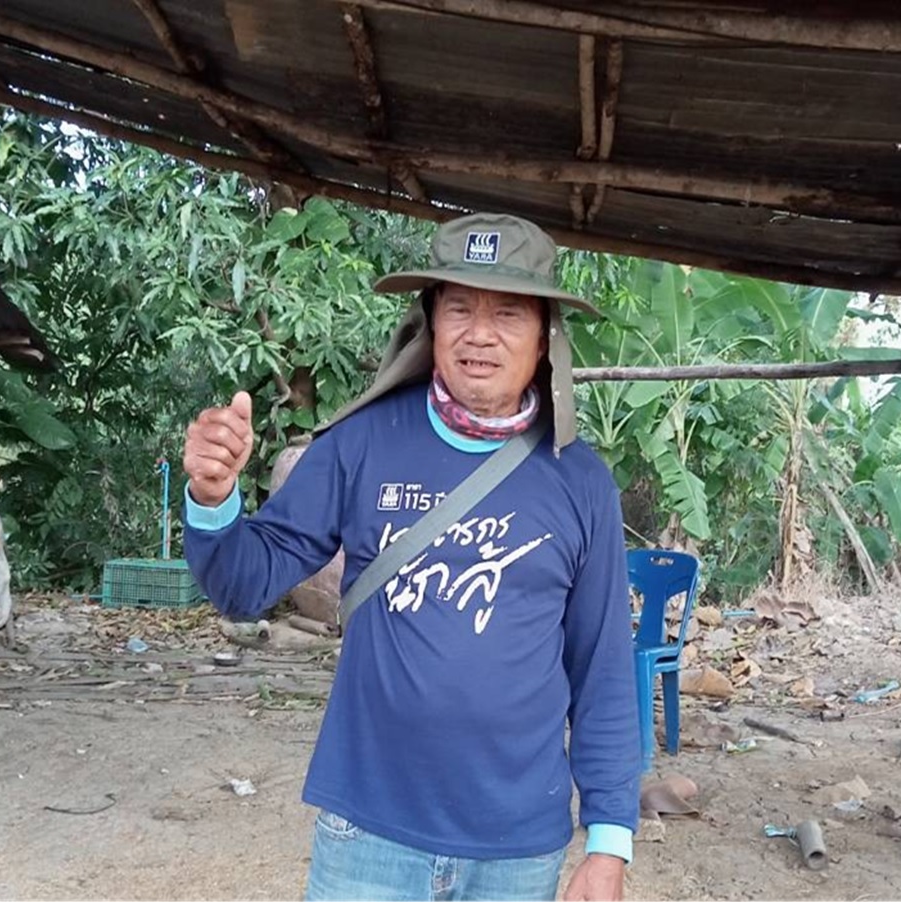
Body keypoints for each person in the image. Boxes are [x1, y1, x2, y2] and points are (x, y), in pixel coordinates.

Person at [182, 212, 640, 901]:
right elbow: (243, 585)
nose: (479, 333)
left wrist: (608, 843)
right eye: (459, 308)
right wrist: (213, 497)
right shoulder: (360, 444)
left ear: (545, 335)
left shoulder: (580, 482)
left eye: (507, 313)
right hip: (369, 835)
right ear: (430, 322)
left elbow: (602, 666)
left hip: (516, 849)